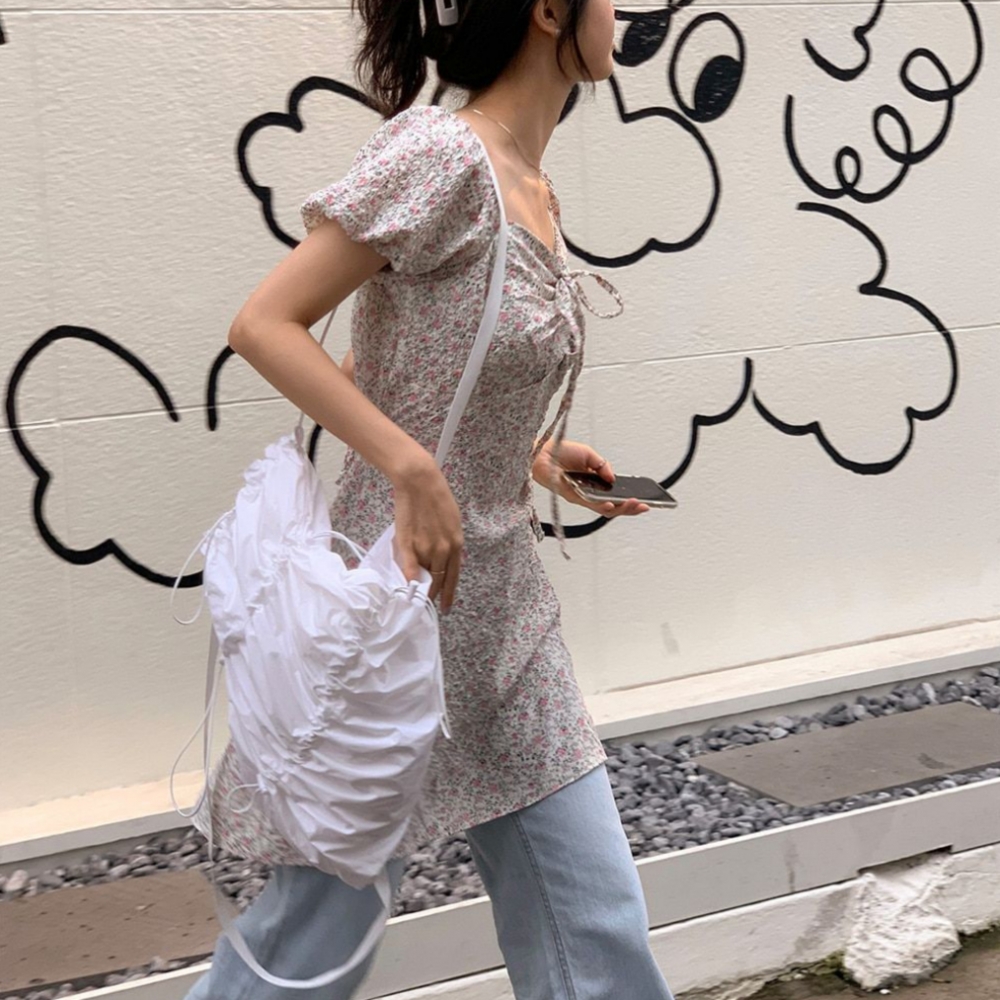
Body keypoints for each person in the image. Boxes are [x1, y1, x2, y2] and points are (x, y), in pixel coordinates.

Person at [186, 0, 674, 997]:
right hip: (395, 611)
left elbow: (404, 367)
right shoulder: (442, 155)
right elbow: (265, 323)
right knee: (312, 942)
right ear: (549, 10)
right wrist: (412, 469)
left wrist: (533, 454)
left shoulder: (531, 184)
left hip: (504, 622)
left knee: (594, 920)